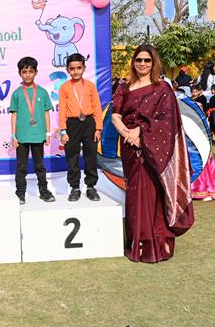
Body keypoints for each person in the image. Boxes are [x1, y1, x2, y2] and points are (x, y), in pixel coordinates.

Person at [111, 44, 194, 263]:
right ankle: (136, 243)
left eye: (147, 60)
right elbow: (115, 115)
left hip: (153, 147)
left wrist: (140, 132)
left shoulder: (162, 88)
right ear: (133, 62)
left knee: (153, 193)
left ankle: (154, 244)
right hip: (130, 146)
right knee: (135, 193)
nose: (142, 64)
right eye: (139, 60)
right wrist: (128, 134)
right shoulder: (124, 87)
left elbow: (166, 120)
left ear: (153, 63)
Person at [10, 56, 55, 204]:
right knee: (21, 166)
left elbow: (46, 113)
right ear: (19, 73)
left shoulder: (42, 92)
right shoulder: (17, 93)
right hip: (22, 137)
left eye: (31, 71)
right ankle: (20, 192)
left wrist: (47, 133)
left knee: (40, 166)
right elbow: (14, 115)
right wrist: (13, 135)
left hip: (38, 135)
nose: (27, 75)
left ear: (36, 72)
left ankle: (43, 190)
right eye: (24, 72)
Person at [58, 53, 103, 202]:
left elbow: (97, 107)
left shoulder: (90, 86)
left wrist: (98, 128)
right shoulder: (64, 87)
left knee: (91, 155)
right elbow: (62, 110)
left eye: (78, 68)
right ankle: (75, 187)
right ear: (67, 70)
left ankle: (91, 186)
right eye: (72, 68)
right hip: (72, 124)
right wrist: (63, 130)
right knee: (72, 156)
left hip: (89, 123)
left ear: (84, 68)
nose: (75, 71)